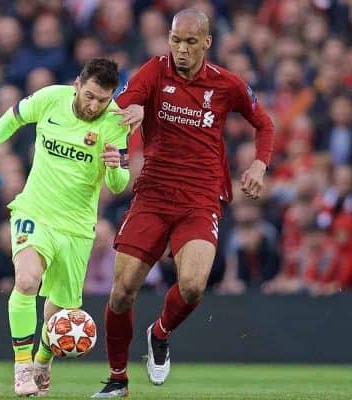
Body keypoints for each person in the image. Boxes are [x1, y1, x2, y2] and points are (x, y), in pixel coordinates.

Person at [92, 9, 275, 397]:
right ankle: (117, 380)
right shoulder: (155, 70)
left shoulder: (227, 84)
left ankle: (159, 333)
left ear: (206, 43)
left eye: (190, 42)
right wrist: (134, 108)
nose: (181, 49)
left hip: (201, 198)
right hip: (154, 194)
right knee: (122, 289)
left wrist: (259, 164)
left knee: (192, 286)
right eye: (175, 40)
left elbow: (265, 124)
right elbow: (126, 99)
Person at [0, 58, 130, 397]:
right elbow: (9, 121)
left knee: (60, 310)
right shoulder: (50, 98)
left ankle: (42, 360)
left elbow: (120, 183)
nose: (94, 105)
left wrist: (114, 168)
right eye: (90, 95)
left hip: (77, 227)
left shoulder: (116, 120)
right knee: (27, 280)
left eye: (102, 99)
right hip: (34, 211)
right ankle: (22, 369)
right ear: (79, 84)